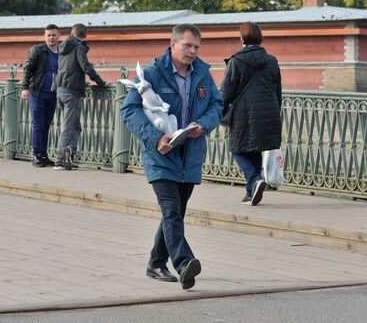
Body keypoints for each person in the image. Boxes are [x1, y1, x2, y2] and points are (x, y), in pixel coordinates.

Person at [120, 24, 223, 290]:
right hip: (161, 155)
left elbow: (217, 104)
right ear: (173, 44)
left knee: (176, 212)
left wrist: (204, 124)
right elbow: (129, 111)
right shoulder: (152, 74)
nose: (193, 51)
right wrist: (156, 138)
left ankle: (155, 263)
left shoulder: (202, 74)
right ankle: (184, 262)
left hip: (190, 155)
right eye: (188, 45)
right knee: (171, 210)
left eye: (197, 47)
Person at [220, 22, 282, 206]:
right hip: (268, 110)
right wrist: (275, 112)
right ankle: (250, 193)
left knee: (236, 149)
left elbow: (226, 92)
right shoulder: (272, 61)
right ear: (260, 37)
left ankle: (255, 179)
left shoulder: (236, 61)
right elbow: (278, 90)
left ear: (242, 38)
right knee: (253, 148)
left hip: (244, 112)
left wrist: (220, 113)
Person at [53, 23, 107, 170]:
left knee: (76, 127)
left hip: (60, 90)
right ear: (85, 35)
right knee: (69, 127)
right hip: (72, 92)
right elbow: (86, 66)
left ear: (72, 33)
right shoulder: (79, 47)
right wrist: (100, 82)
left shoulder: (62, 47)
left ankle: (68, 155)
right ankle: (59, 160)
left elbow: (59, 69)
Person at [21, 24, 60, 167]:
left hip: (53, 94)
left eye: (54, 35)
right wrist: (25, 88)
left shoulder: (61, 52)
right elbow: (28, 69)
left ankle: (44, 155)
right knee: (38, 124)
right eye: (48, 35)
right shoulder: (38, 50)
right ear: (45, 37)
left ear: (58, 36)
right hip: (37, 92)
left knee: (46, 125)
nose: (51, 37)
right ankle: (36, 155)